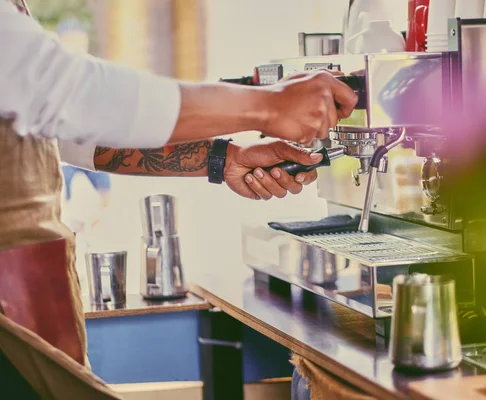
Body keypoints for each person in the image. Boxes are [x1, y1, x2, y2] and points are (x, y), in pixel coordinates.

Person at [0, 0, 358, 397]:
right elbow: (71, 93)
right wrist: (268, 105)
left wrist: (225, 158)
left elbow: (74, 134)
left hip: (32, 294)